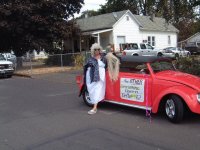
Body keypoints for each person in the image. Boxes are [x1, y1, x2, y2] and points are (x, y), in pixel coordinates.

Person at [84, 43, 107, 115]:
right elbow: (86, 66)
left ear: (100, 50)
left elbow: (106, 65)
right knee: (92, 91)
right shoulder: (90, 58)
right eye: (95, 49)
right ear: (93, 51)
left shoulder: (103, 57)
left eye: (98, 49)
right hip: (91, 77)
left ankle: (94, 108)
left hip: (100, 78)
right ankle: (94, 104)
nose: (97, 51)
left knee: (97, 91)